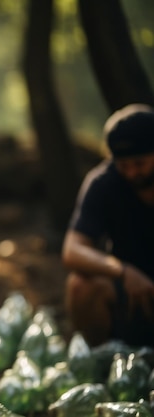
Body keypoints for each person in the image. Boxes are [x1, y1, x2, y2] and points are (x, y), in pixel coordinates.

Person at [62, 103, 154, 348]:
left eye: (140, 163)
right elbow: (73, 250)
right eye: (124, 165)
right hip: (133, 294)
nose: (132, 173)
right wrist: (122, 271)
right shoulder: (103, 183)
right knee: (80, 286)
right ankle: (103, 363)